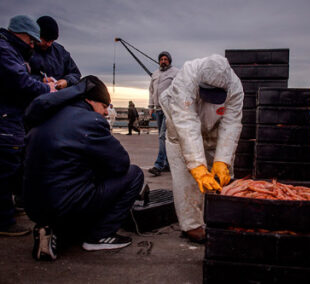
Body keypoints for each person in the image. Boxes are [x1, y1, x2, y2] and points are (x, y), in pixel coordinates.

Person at [23, 76, 144, 260]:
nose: (105, 112)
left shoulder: (46, 115)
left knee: (68, 179)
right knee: (134, 174)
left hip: (32, 205)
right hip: (65, 203)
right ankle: (100, 235)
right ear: (89, 100)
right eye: (104, 106)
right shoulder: (91, 121)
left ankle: (50, 231)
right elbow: (120, 163)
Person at [159, 54, 244, 243]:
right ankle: (191, 225)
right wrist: (197, 166)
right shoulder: (186, 78)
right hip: (179, 126)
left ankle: (218, 218)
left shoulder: (235, 86)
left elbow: (231, 124)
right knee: (186, 176)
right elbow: (186, 122)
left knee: (222, 175)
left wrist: (222, 161)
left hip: (213, 126)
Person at [0, 15, 56, 237]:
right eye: (31, 41)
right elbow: (19, 81)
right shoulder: (5, 51)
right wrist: (48, 90)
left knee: (10, 166)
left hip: (11, 118)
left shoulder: (10, 50)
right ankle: (4, 221)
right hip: (5, 119)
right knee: (4, 169)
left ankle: (8, 210)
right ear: (19, 35)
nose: (33, 45)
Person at [148, 51, 179, 176]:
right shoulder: (155, 74)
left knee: (162, 136)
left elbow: (179, 89)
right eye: (161, 59)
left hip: (169, 109)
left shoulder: (176, 73)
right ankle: (167, 163)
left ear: (169, 61)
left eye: (166, 59)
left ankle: (158, 165)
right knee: (162, 137)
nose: (163, 61)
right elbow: (151, 91)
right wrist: (150, 106)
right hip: (158, 109)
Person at [29, 16, 81, 90]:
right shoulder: (25, 49)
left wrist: (66, 81)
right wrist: (40, 80)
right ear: (37, 34)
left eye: (51, 41)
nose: (48, 44)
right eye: (46, 40)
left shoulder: (60, 51)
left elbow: (76, 74)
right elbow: (17, 76)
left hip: (58, 96)